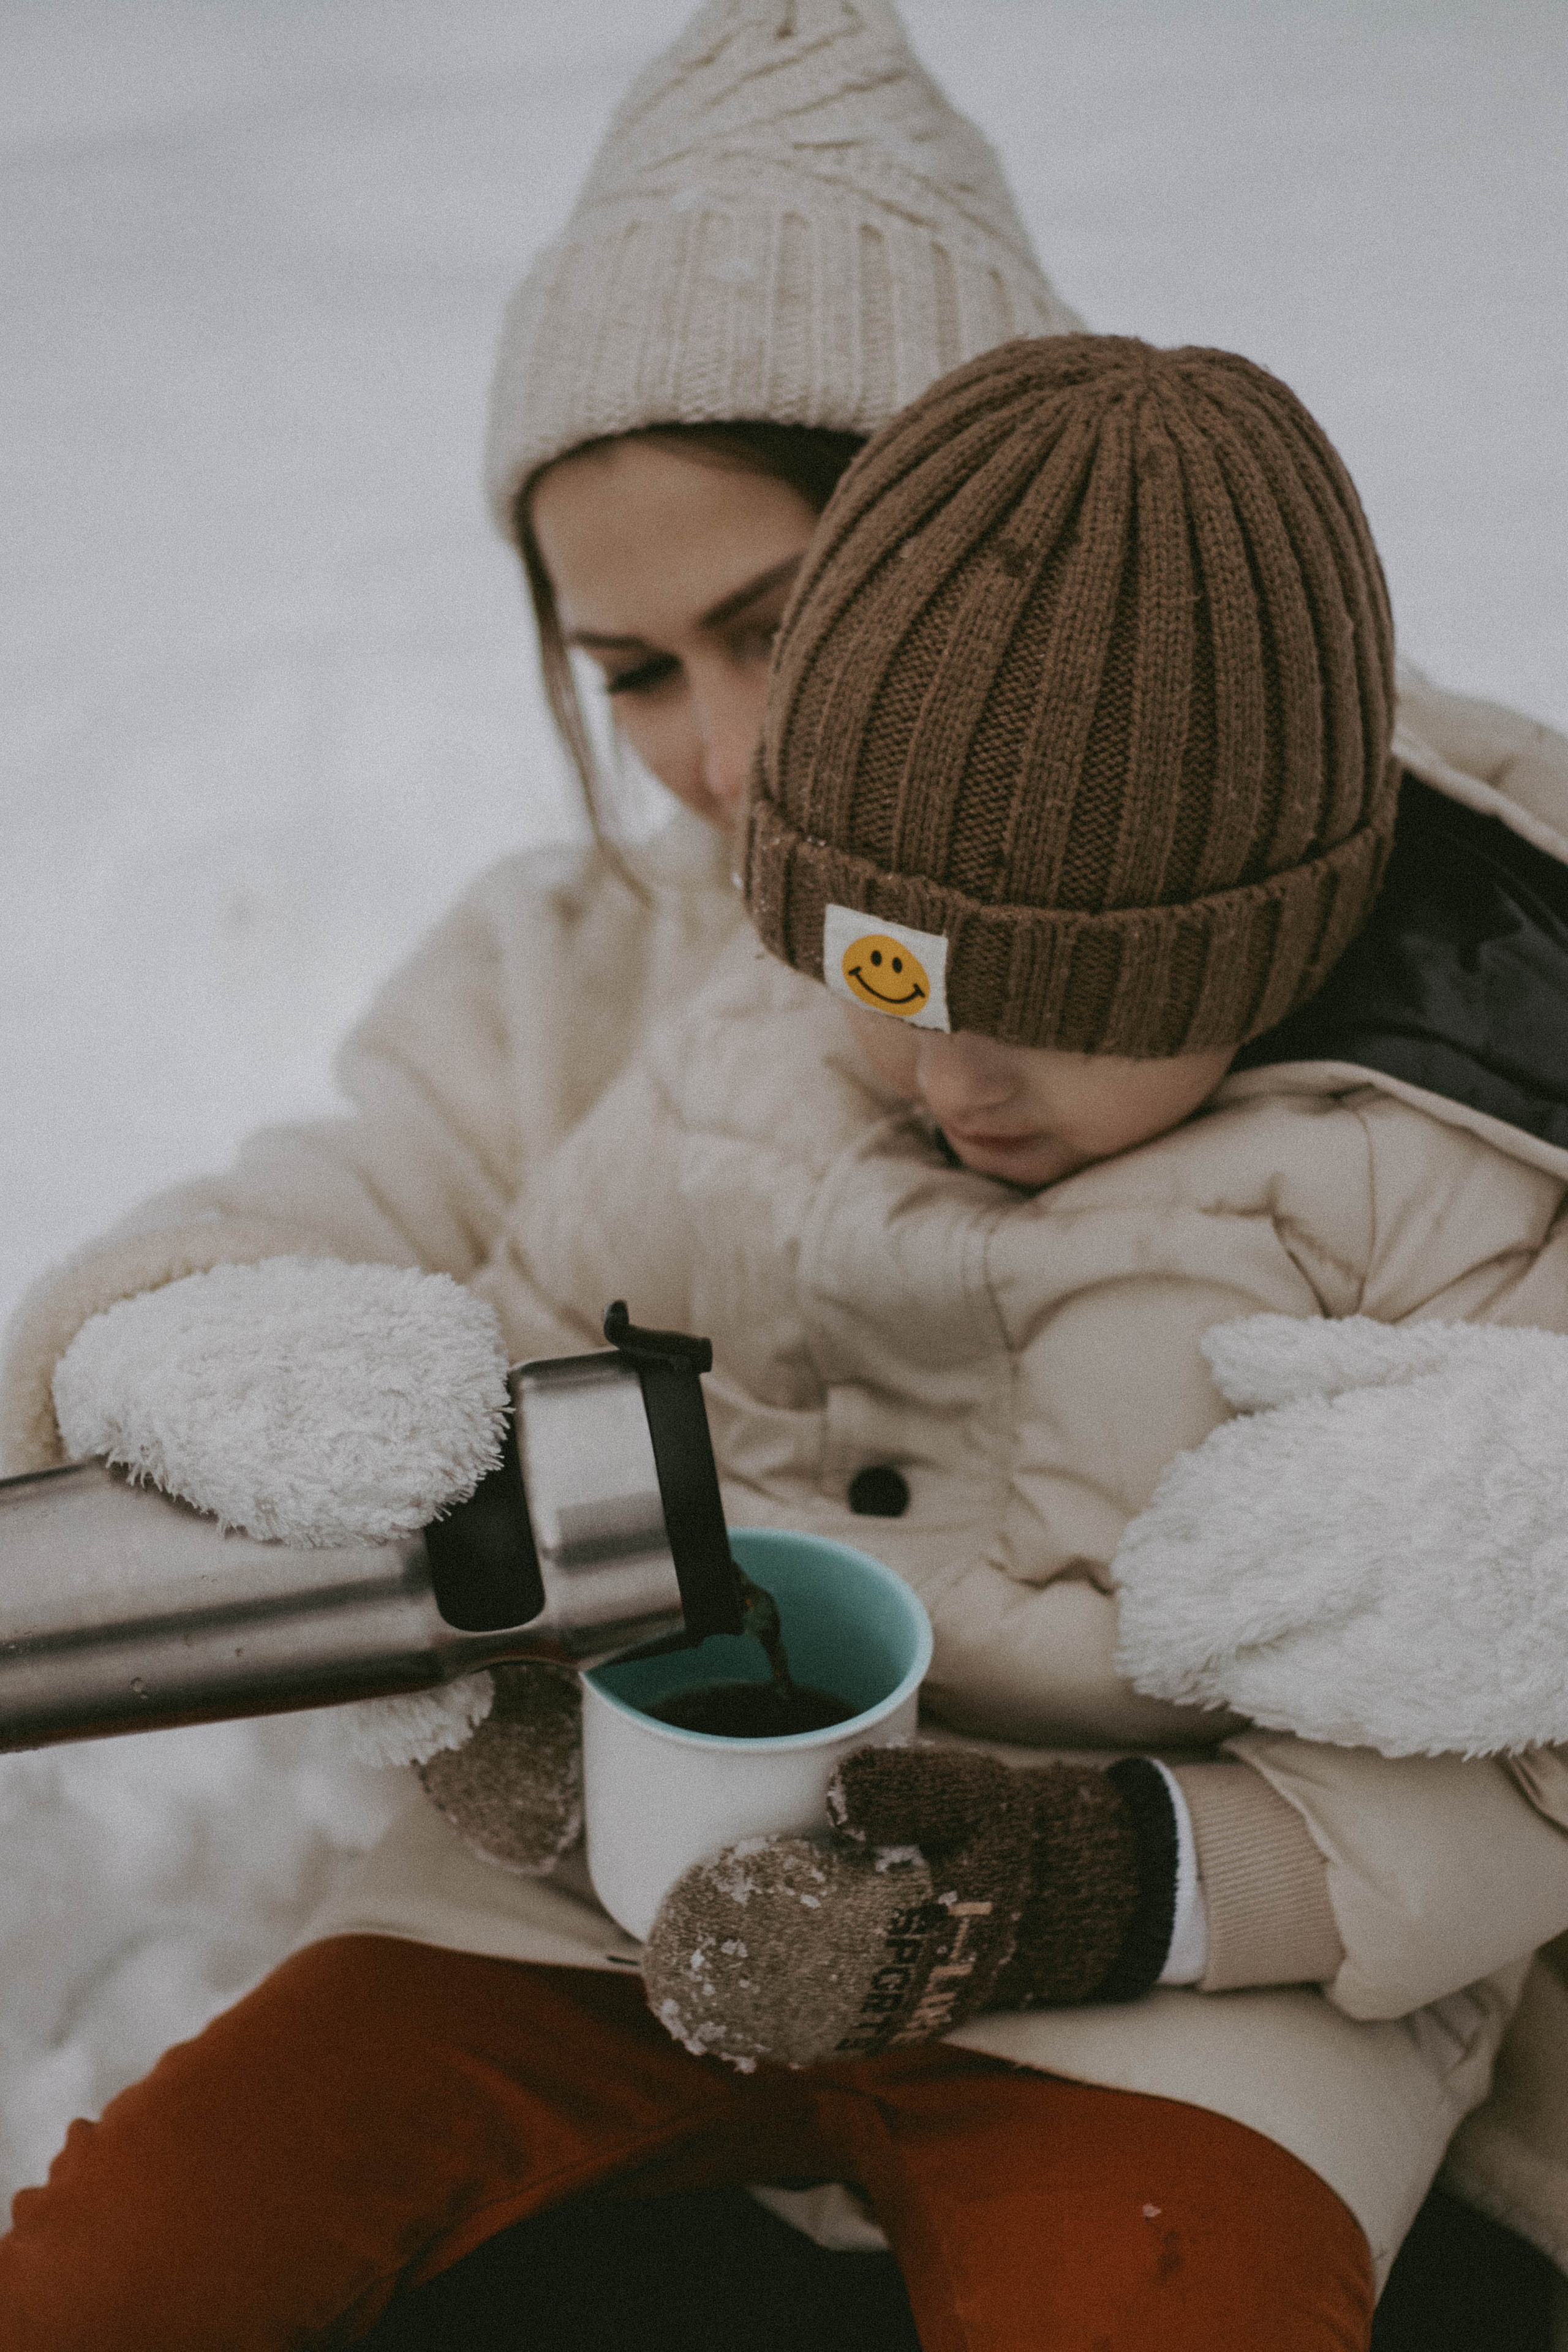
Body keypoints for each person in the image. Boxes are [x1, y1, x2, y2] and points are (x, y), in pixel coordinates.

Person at [4, 7, 1568, 2350]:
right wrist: (217, 1349)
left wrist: (1108, 1878)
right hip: (615, 1916)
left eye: (783, 622)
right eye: (630, 667)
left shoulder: (1452, 1008)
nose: (720, 762)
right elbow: (363, 1207)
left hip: (1169, 1979)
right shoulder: (635, 971)